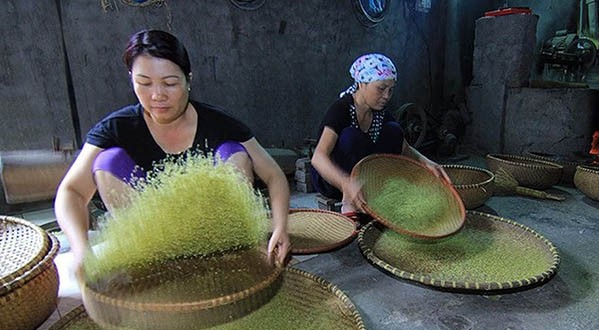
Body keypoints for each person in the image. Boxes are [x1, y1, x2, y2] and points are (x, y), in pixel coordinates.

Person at [54, 29, 290, 275]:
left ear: (189, 79)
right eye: (144, 83)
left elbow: (274, 174)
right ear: (131, 79)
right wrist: (82, 251)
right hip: (154, 245)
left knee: (234, 151)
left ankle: (228, 253)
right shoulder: (116, 127)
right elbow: (71, 191)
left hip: (217, 237)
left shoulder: (220, 123)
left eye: (170, 83)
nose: (157, 95)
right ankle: (156, 267)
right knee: (107, 160)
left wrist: (280, 226)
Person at [310, 53, 450, 216]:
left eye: (390, 90)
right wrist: (346, 183)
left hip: (362, 181)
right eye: (381, 88)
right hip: (334, 181)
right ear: (362, 83)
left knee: (394, 130)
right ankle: (348, 203)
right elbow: (318, 157)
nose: (386, 96)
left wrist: (428, 163)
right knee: (351, 136)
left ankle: (375, 187)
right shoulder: (341, 109)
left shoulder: (379, 112)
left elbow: (404, 147)